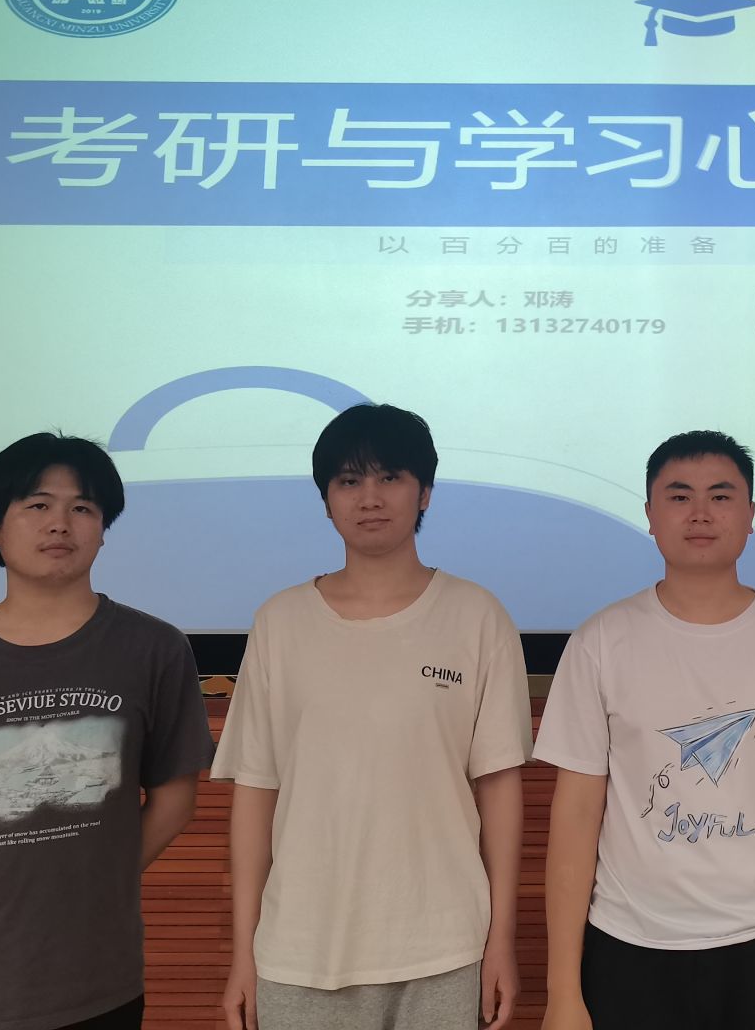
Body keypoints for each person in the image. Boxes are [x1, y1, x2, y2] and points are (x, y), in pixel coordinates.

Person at [0, 432, 214, 1030]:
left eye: (83, 508)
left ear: (103, 530)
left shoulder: (154, 649)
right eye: (37, 505)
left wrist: (93, 883)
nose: (60, 524)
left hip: (93, 979)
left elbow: (175, 801)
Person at [534, 430, 755, 1030]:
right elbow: (576, 818)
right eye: (679, 496)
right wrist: (563, 993)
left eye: (720, 496)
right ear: (649, 514)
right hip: (628, 943)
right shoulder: (600, 642)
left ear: (749, 514)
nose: (700, 513)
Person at [213, 402, 531, 1030]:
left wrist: (501, 940)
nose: (370, 497)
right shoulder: (280, 622)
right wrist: (243, 954)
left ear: (425, 493)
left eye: (390, 477)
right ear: (326, 500)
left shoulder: (476, 616)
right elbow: (255, 792)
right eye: (349, 480)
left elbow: (499, 788)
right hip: (299, 950)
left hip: (444, 946)